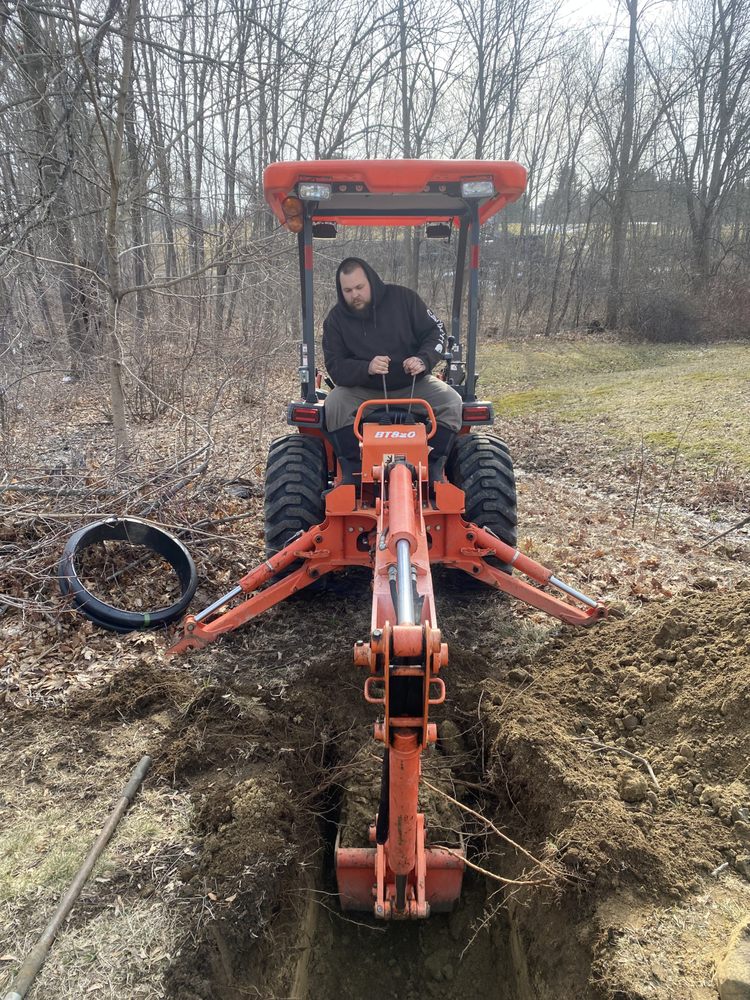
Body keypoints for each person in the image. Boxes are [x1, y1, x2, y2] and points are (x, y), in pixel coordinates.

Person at [322, 257, 462, 483]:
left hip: (412, 384)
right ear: (341, 290)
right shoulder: (336, 320)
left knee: (452, 402)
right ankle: (354, 471)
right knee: (334, 404)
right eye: (348, 290)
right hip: (363, 388)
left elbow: (436, 331)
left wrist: (423, 359)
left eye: (359, 287)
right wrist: (366, 367)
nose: (354, 294)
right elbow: (335, 365)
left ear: (371, 281)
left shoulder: (403, 299)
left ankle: (434, 467)